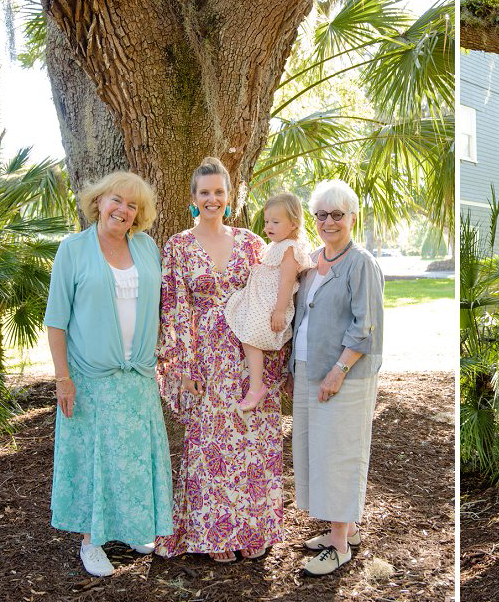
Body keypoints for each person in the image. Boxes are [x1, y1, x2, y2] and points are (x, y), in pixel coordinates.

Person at [156, 157, 286, 563]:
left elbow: (272, 291)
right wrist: (183, 367)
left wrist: (269, 361)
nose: (212, 199)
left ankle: (252, 531)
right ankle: (214, 533)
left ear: (229, 197)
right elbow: (173, 308)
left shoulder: (251, 243)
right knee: (211, 445)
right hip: (205, 357)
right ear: (193, 199)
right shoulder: (177, 246)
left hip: (249, 353)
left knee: (252, 440)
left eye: (219, 192)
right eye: (204, 192)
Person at [45, 171, 173, 577]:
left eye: (132, 205)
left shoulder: (147, 247)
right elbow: (56, 321)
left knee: (135, 456)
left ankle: (135, 528)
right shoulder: (74, 249)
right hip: (90, 378)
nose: (122, 210)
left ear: (140, 215)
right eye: (116, 200)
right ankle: (91, 540)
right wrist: (63, 378)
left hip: (137, 376)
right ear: (98, 202)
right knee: (93, 457)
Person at [287, 180, 384, 577]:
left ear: (352, 217)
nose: (329, 222)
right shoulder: (310, 260)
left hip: (344, 374)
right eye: (322, 215)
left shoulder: (360, 263)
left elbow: (366, 326)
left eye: (337, 214)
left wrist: (338, 372)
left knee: (340, 453)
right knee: (317, 452)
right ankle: (341, 529)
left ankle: (340, 546)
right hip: (310, 370)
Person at [224, 194, 309, 411]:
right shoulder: (275, 246)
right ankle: (256, 384)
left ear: (293, 224)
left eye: (275, 222)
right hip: (261, 300)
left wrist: (279, 310)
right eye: (267, 220)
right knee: (246, 333)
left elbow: (288, 279)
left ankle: (256, 387)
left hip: (272, 304)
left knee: (251, 337)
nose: (268, 226)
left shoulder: (289, 248)